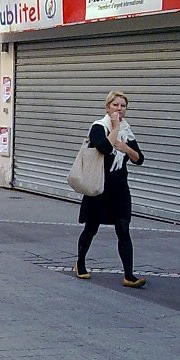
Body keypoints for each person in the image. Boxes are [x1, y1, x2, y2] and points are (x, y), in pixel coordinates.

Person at [74, 89, 146, 288]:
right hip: (99, 186)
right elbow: (104, 147)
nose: (119, 109)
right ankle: (80, 263)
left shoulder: (127, 131)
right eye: (116, 105)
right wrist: (114, 127)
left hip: (119, 188)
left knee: (123, 228)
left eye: (123, 106)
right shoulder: (98, 127)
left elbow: (139, 159)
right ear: (107, 107)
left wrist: (126, 149)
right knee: (91, 228)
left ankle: (129, 275)